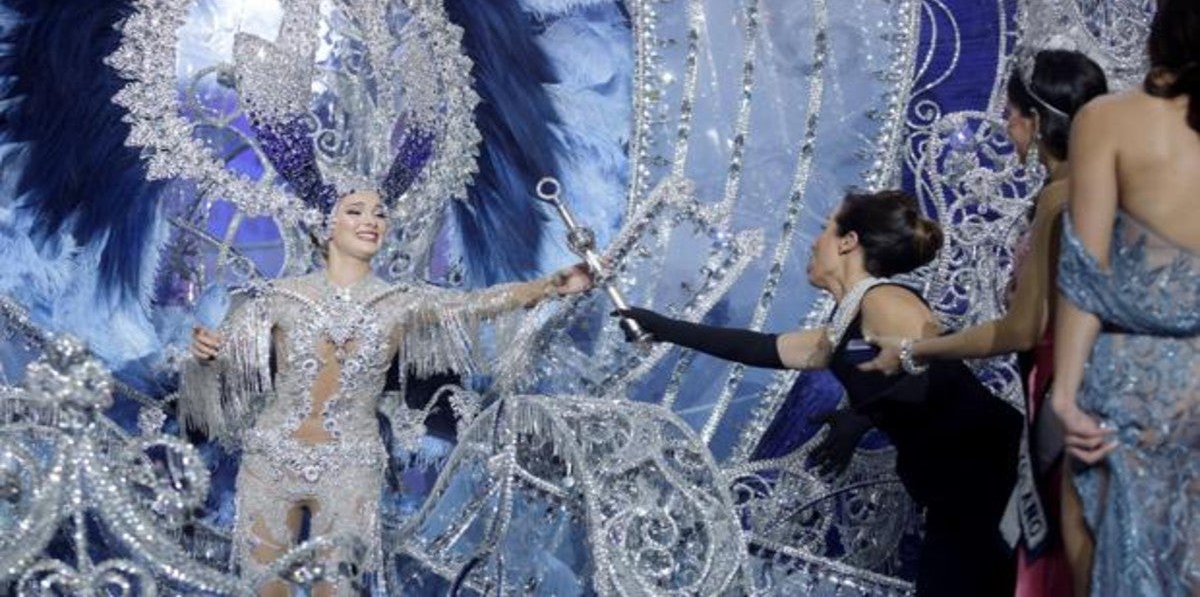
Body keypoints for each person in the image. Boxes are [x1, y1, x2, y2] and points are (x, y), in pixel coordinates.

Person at [186, 189, 591, 596]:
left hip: (351, 469)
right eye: (356, 211)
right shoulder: (280, 296)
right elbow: (225, 356)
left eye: (380, 214)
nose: (371, 221)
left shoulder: (400, 303)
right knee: (265, 590)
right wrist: (205, 353)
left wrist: (549, 285)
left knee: (337, 590)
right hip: (270, 462)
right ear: (325, 226)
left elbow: (477, 304)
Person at [618, 190, 1023, 596]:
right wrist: (666, 328)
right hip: (954, 489)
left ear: (848, 242)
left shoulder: (884, 299)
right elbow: (761, 348)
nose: (815, 241)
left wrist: (862, 417)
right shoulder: (845, 323)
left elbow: (933, 372)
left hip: (988, 474)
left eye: (825, 228)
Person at [861, 49, 1108, 597]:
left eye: (1011, 116)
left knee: (1062, 561)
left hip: (1063, 393)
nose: (1006, 127)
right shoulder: (1089, 191)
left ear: (1038, 123)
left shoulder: (1061, 200)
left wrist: (918, 351)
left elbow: (1020, 331)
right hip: (1073, 386)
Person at [1048, 0, 1200, 594]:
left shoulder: (1108, 118)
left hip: (1127, 379)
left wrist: (1063, 390)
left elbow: (1087, 274)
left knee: (1103, 559)